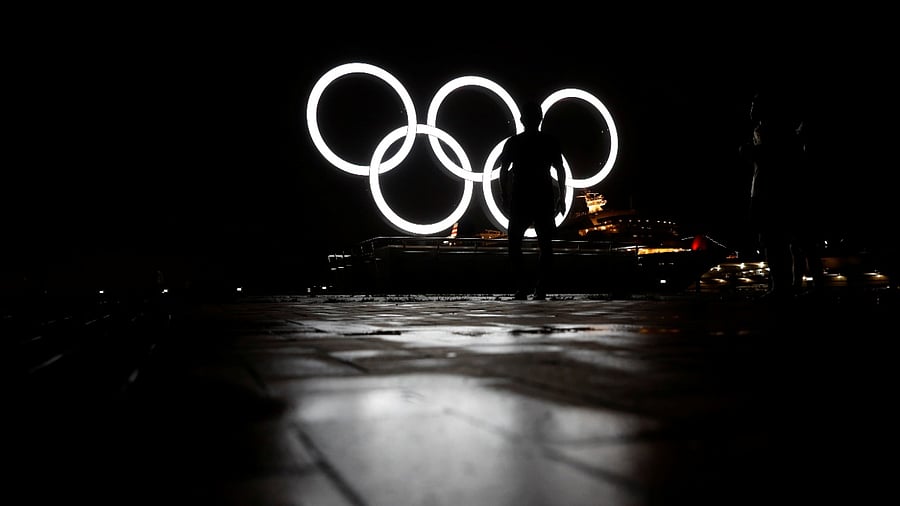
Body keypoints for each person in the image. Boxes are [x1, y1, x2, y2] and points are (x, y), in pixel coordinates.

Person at [745, 84, 824, 302]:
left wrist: (755, 153)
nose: (751, 108)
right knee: (782, 241)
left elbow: (778, 160)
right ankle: (787, 285)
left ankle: (783, 287)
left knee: (781, 240)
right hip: (767, 191)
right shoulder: (767, 129)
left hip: (773, 192)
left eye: (755, 104)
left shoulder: (776, 130)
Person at [498, 100, 567, 300]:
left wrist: (505, 194)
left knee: (515, 242)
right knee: (545, 244)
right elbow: (560, 170)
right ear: (540, 119)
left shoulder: (513, 142)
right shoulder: (549, 141)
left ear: (522, 119)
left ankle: (523, 287)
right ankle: (540, 288)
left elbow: (503, 170)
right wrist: (561, 196)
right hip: (543, 195)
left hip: (522, 195)